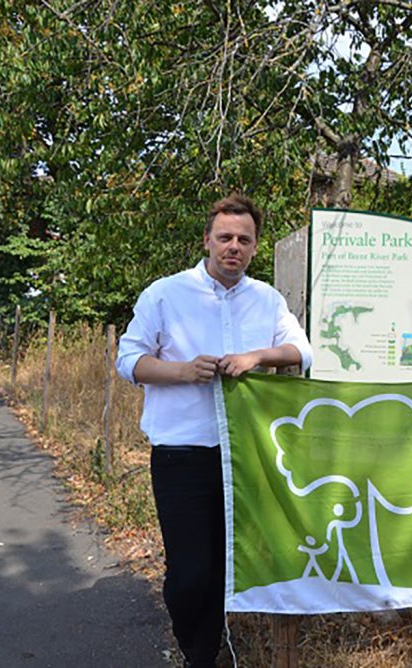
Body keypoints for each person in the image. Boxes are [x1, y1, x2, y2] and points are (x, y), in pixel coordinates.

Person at [116, 193, 312, 667]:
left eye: (244, 240)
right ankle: (196, 650)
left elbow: (303, 353)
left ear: (255, 246)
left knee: (227, 563)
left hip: (244, 456)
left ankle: (209, 648)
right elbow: (127, 361)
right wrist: (181, 372)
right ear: (206, 240)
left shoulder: (267, 299)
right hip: (181, 454)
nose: (234, 247)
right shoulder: (164, 294)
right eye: (225, 237)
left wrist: (257, 357)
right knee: (189, 573)